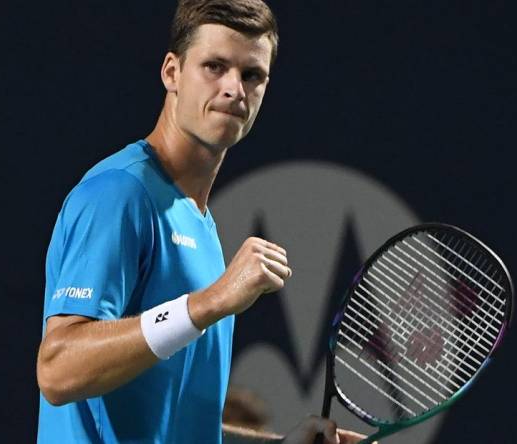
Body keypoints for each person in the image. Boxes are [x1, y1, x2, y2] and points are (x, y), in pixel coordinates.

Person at [36, 1, 366, 443]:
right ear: (172, 72)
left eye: (253, 75)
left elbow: (173, 422)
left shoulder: (200, 224)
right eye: (214, 66)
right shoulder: (119, 193)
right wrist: (210, 301)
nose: (235, 89)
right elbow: (57, 370)